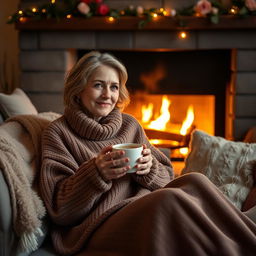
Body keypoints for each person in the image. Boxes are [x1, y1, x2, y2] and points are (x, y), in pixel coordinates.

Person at [40, 51, 256, 256]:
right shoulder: (58, 133)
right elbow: (60, 210)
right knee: (168, 199)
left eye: (114, 87)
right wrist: (97, 173)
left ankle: (247, 235)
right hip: (97, 225)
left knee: (195, 181)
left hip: (142, 206)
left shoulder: (130, 125)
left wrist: (149, 168)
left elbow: (166, 178)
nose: (108, 95)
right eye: (98, 85)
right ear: (78, 89)